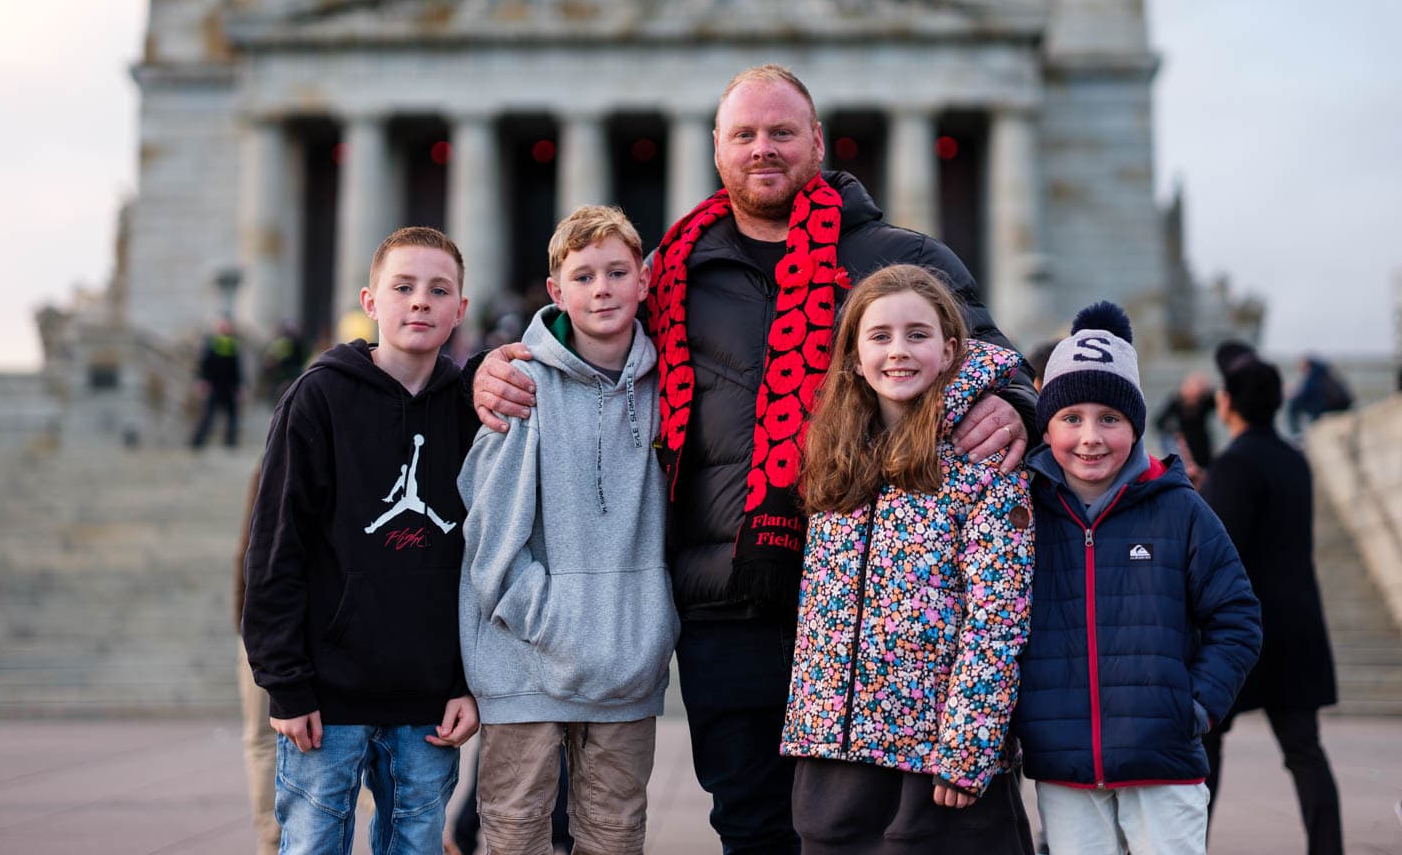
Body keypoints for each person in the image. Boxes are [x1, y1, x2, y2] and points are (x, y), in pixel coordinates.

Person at [474, 64, 1037, 851]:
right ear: (716, 149)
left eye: (781, 132)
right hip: (725, 598)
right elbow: (593, 344)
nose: (762, 149)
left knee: (868, 833)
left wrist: (1015, 401)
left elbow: (991, 354)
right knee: (750, 823)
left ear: (818, 140)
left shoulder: (898, 257)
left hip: (865, 600)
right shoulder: (673, 269)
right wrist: (502, 365)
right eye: (744, 135)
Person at [242, 226, 480, 854]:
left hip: (429, 701)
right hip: (328, 698)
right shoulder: (317, 397)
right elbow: (275, 545)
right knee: (314, 845)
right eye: (403, 287)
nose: (420, 302)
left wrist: (464, 680)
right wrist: (285, 682)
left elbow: (482, 559)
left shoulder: (470, 408)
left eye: (439, 290)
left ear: (461, 310)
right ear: (371, 301)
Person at [781, 265, 1035, 853]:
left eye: (917, 335)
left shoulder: (983, 465)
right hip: (834, 762)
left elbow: (997, 618)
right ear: (853, 355)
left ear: (950, 351)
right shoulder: (834, 462)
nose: (899, 351)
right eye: (880, 336)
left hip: (937, 770)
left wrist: (969, 749)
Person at [459, 206, 679, 854]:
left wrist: (647, 623)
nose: (603, 288)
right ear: (557, 291)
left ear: (645, 281)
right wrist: (555, 621)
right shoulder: (519, 384)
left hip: (628, 662)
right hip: (527, 662)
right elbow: (492, 535)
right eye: (584, 276)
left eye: (617, 272)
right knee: (515, 833)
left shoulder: (672, 385)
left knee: (615, 834)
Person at [1012, 302, 1262, 855]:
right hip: (1064, 763)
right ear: (1045, 423)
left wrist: (1194, 707)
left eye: (1110, 418)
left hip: (1164, 761)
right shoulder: (1024, 512)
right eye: (1070, 418)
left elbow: (1237, 617)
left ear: (1136, 424)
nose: (1089, 438)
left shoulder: (1181, 509)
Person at [1201, 344, 1343, 855]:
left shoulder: (1234, 465)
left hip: (1245, 632)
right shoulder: (1293, 460)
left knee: (1204, 746)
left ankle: (1190, 845)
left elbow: (1218, 550)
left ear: (1227, 402)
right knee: (1305, 752)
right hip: (1299, 624)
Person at [235, 463, 279, 855]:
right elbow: (250, 552)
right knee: (261, 739)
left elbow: (248, 553)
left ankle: (272, 839)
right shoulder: (268, 466)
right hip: (259, 627)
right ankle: (271, 838)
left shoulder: (271, 463)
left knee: (261, 741)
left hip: (268, 625)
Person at [191, 316, 244, 447]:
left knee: (232, 416)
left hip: (229, 385)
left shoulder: (233, 343)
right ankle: (197, 442)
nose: (225, 328)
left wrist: (239, 386)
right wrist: (202, 380)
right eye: (222, 325)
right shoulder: (211, 342)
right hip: (214, 384)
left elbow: (236, 367)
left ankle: (231, 442)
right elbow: (203, 364)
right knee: (208, 416)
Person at [1156, 371, 1217, 470]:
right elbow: (1159, 422)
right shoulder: (1176, 402)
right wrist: (1173, 430)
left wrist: (1207, 388)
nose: (1193, 397)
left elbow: (1218, 401)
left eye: (1197, 393)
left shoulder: (1204, 401)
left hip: (1202, 443)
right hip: (1184, 444)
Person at [1286, 355, 1354, 437]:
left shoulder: (1314, 374)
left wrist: (1293, 395)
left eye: (1301, 366)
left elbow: (1307, 393)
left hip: (1327, 406)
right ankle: (1305, 432)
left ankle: (1296, 435)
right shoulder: (1325, 373)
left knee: (1293, 406)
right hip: (1340, 405)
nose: (1300, 369)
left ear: (1307, 365)